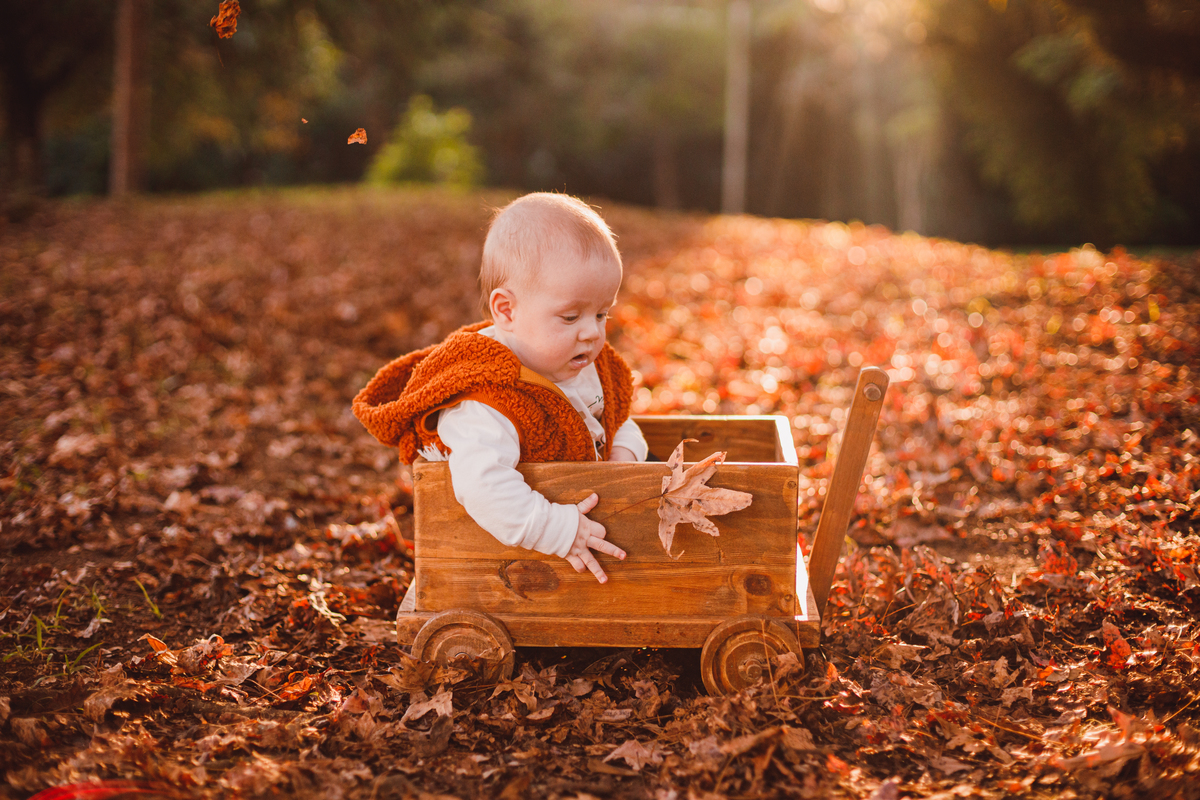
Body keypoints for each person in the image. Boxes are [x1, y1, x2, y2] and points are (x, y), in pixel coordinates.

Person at [353, 193, 647, 584]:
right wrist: (558, 530)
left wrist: (622, 455)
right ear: (506, 310)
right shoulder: (487, 399)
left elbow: (616, 417)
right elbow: (483, 485)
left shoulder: (581, 360)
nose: (592, 332)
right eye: (571, 316)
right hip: (511, 567)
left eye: (601, 313)